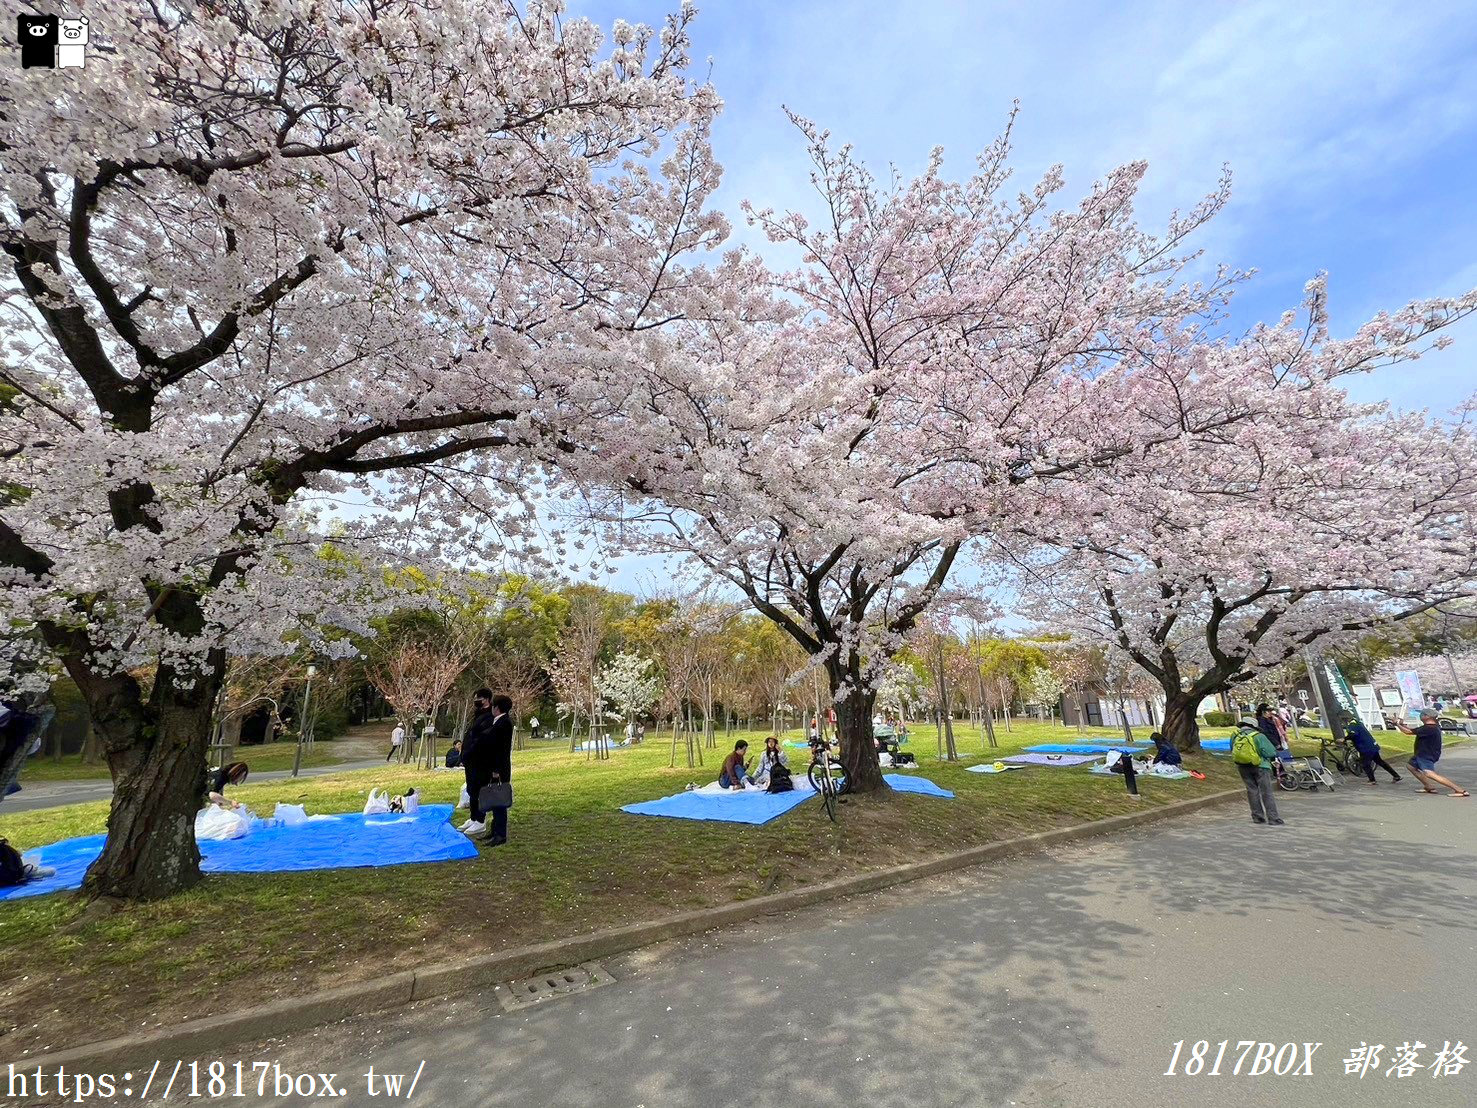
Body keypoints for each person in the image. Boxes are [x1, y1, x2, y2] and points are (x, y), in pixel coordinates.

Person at [1397, 709, 1469, 797]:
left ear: (1427, 716)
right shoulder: (1432, 726)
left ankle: (1459, 790)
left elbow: (1407, 732)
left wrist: (1396, 724)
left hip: (1426, 755)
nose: (1421, 716)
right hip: (1422, 754)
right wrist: (1401, 724)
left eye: (1422, 714)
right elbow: (1413, 730)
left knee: (1429, 773)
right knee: (1411, 766)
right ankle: (1429, 786)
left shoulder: (1428, 728)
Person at [1231, 717, 1284, 825]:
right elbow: (1270, 752)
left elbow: (1232, 749)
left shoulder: (1235, 735)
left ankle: (1257, 816)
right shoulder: (1259, 736)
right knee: (1266, 792)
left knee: (1252, 790)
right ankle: (1273, 818)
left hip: (1242, 766)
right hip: (1260, 766)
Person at [460, 689, 496, 837]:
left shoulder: (489, 717)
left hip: (481, 761)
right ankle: (473, 817)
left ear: (487, 699)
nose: (476, 701)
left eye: (479, 698)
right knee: (471, 789)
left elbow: (481, 740)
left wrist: (470, 752)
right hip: (471, 760)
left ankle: (480, 820)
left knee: (479, 790)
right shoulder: (478, 715)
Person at [483, 694, 514, 844]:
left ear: (497, 707)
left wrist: (496, 769)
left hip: (499, 768)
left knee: (499, 800)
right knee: (495, 800)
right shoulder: (499, 722)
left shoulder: (504, 723)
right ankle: (495, 830)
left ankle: (500, 834)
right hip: (495, 766)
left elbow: (500, 749)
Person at [1342, 713, 1399, 785]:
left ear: (1345, 719)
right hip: (1372, 745)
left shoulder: (1352, 725)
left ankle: (1372, 780)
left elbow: (1353, 734)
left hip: (1365, 747)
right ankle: (1396, 775)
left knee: (1365, 764)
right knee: (1380, 762)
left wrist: (1344, 739)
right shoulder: (1357, 722)